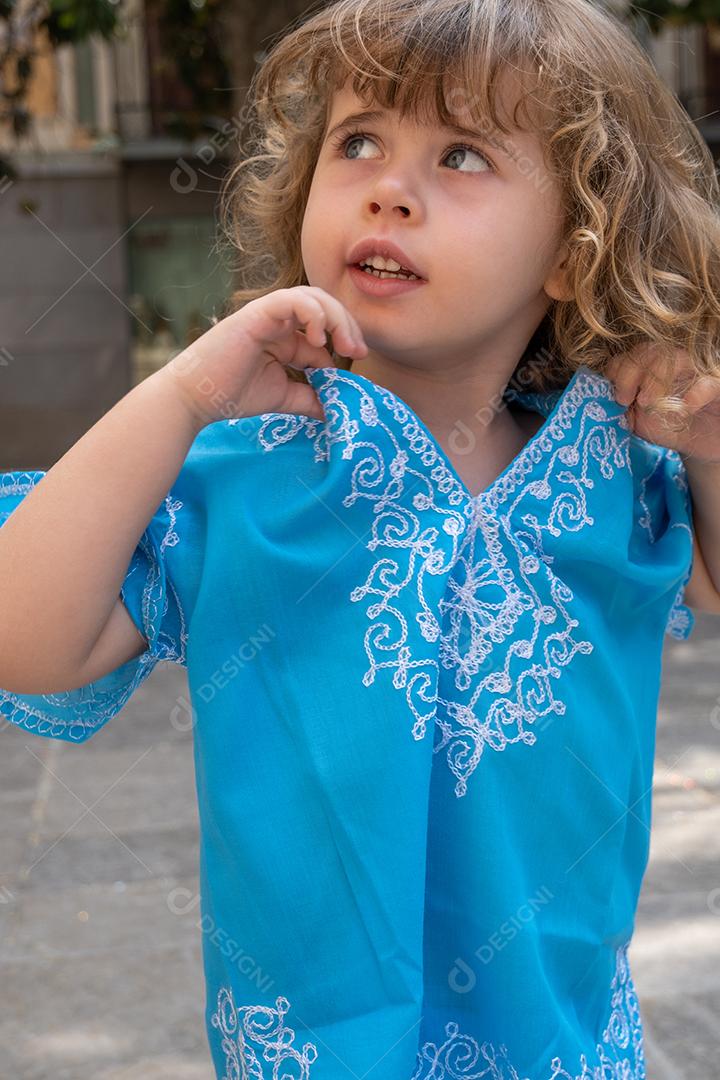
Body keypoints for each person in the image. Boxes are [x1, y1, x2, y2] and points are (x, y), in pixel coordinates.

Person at [2, 0, 720, 1076]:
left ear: (576, 251)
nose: (389, 185)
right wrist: (186, 394)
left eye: (464, 153)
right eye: (359, 142)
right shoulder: (242, 477)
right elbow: (26, 639)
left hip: (567, 1048)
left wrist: (708, 444)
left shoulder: (615, 472)